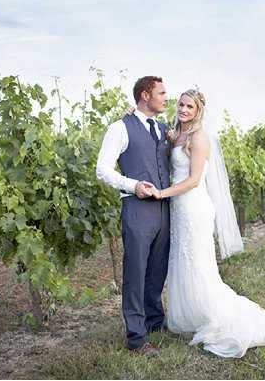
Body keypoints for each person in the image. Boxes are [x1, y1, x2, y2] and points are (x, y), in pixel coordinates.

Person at [147, 88, 265, 358]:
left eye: (190, 107)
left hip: (192, 207)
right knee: (181, 261)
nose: (184, 110)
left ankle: (210, 314)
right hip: (178, 209)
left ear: (198, 111)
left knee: (198, 264)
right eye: (181, 104)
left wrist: (161, 193)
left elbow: (192, 181)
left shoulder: (199, 139)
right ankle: (187, 316)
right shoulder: (176, 134)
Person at [95, 76, 171, 356]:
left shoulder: (163, 129)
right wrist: (133, 185)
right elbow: (102, 169)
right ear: (144, 95)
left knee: (157, 269)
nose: (166, 98)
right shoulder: (119, 128)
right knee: (136, 272)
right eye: (161, 93)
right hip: (137, 208)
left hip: (164, 207)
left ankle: (155, 322)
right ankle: (136, 337)